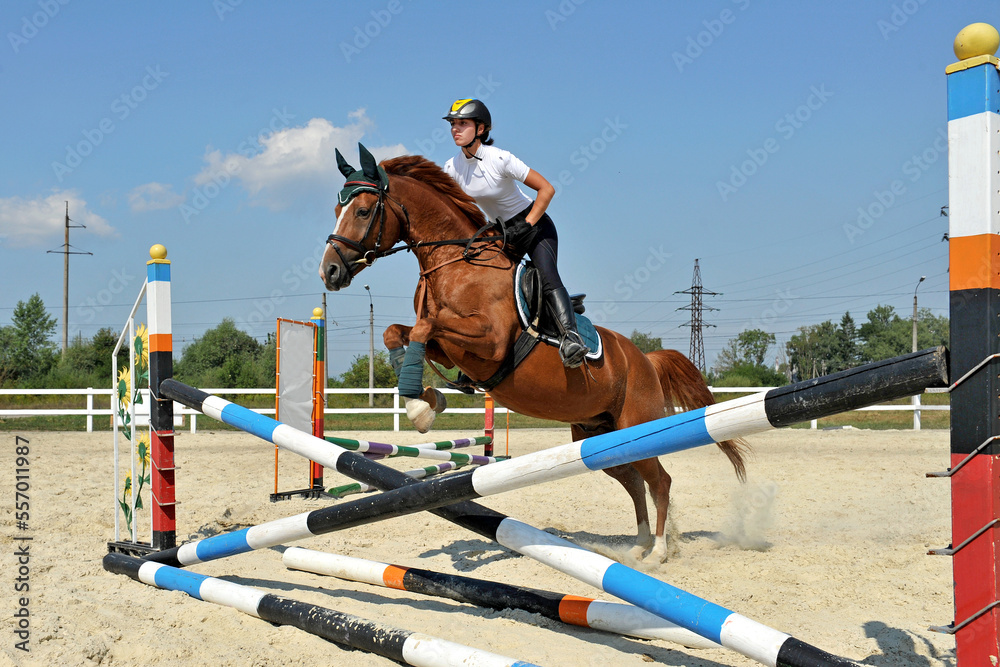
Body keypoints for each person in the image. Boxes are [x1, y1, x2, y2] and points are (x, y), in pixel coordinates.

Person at [441, 98, 588, 368]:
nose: (455, 129)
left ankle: (571, 339)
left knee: (546, 276)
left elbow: (547, 189)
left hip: (536, 227)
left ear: (481, 129)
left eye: (462, 123)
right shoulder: (451, 168)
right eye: (452, 124)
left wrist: (528, 223)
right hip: (501, 234)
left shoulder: (500, 159)